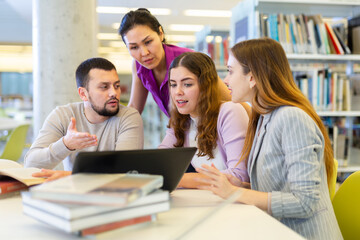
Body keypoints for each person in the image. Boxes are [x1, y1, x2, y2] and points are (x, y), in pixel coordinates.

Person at [195, 38, 342, 239]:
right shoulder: (263, 118)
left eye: (230, 71)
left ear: (252, 77)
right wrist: (239, 185)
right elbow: (276, 188)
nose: (226, 80)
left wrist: (234, 193)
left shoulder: (292, 118)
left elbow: (305, 202)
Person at [25, 57, 144, 181]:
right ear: (83, 94)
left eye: (116, 85)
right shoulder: (63, 115)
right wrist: (66, 144)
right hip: (75, 195)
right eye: (104, 87)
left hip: (115, 195)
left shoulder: (129, 117)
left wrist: (72, 176)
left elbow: (126, 171)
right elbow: (31, 165)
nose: (113, 93)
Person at [159, 52, 249, 188]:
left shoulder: (230, 111)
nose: (178, 92)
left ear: (205, 86)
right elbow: (159, 164)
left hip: (233, 203)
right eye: (173, 85)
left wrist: (178, 179)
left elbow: (239, 176)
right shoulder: (180, 120)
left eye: (187, 84)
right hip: (206, 200)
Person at [118, 8, 231, 117]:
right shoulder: (138, 66)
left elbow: (230, 100)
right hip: (179, 128)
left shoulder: (189, 59)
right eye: (134, 47)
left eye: (148, 42)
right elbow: (134, 107)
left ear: (160, 34)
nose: (144, 53)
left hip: (209, 126)